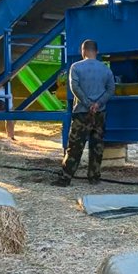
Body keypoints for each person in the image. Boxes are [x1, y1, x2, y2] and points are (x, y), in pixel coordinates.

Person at [54, 39, 115, 187]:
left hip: (82, 112)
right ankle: (94, 177)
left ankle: (66, 178)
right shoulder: (106, 69)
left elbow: (74, 87)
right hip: (100, 113)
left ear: (83, 51)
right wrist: (98, 104)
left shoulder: (76, 67)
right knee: (97, 146)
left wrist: (88, 104)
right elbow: (111, 89)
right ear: (97, 52)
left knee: (75, 146)